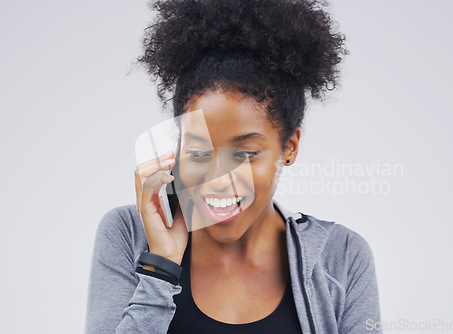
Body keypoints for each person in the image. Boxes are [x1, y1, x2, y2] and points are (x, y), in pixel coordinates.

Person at [84, 0, 382, 333]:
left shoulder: (341, 257)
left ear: (289, 147)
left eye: (244, 154)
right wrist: (161, 268)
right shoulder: (129, 235)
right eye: (198, 153)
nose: (219, 179)